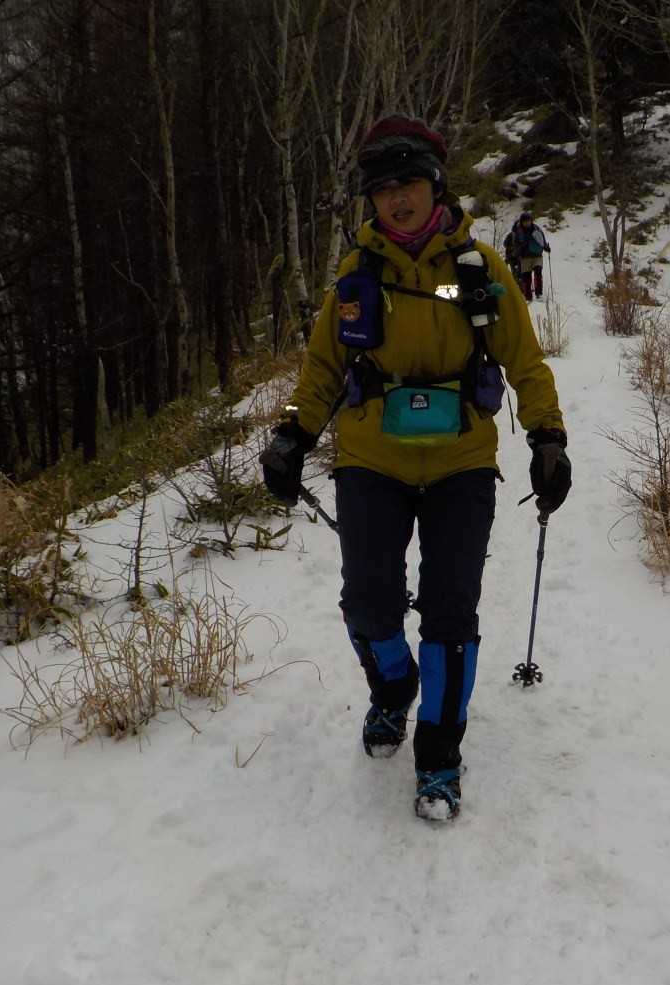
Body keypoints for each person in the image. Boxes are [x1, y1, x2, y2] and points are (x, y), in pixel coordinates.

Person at [259, 115, 572, 821]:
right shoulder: (355, 276)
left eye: (409, 183)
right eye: (383, 188)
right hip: (372, 460)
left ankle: (439, 755)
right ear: (371, 199)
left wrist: (548, 436)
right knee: (369, 605)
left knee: (450, 613)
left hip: (462, 462)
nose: (397, 199)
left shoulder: (479, 271)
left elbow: (525, 361)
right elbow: (322, 368)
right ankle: (393, 690)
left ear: (436, 186)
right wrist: (292, 435)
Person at [508, 210, 551, 301]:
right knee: (526, 277)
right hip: (525, 257)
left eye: (529, 221)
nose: (527, 223)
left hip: (537, 255)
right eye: (525, 221)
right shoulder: (518, 231)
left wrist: (546, 247)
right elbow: (515, 244)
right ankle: (528, 297)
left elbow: (541, 240)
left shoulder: (536, 228)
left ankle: (539, 294)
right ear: (522, 221)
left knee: (538, 273)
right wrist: (517, 253)